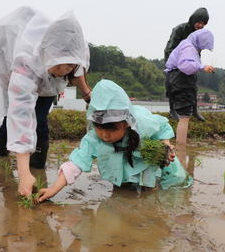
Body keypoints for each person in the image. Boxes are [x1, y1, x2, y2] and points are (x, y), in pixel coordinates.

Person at [0, 6, 91, 197]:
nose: (64, 70)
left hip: (47, 82)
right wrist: (23, 175)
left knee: (40, 121)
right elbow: (21, 114)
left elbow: (77, 72)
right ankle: (2, 151)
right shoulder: (27, 61)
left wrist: (86, 94)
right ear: (47, 53)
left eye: (69, 64)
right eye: (59, 64)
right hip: (11, 60)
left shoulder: (77, 49)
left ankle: (38, 167)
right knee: (14, 118)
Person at [38, 79, 192, 202]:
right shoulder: (93, 138)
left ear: (126, 123)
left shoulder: (142, 123)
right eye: (99, 127)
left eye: (112, 129)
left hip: (146, 163)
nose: (104, 135)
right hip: (119, 166)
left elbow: (163, 127)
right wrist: (53, 189)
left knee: (149, 194)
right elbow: (76, 163)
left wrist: (165, 146)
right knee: (121, 191)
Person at [164, 28, 215, 146]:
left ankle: (182, 146)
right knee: (184, 117)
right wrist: (202, 67)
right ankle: (181, 149)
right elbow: (184, 64)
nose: (202, 48)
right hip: (181, 80)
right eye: (203, 46)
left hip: (175, 79)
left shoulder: (185, 44)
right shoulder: (189, 47)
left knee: (185, 115)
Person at [164, 7, 210, 121]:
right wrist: (177, 65)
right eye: (198, 22)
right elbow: (170, 48)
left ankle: (194, 110)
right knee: (173, 85)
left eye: (203, 24)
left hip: (190, 61)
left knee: (192, 85)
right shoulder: (180, 29)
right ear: (193, 19)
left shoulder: (200, 34)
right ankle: (172, 110)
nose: (200, 25)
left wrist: (197, 64)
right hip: (174, 60)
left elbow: (197, 51)